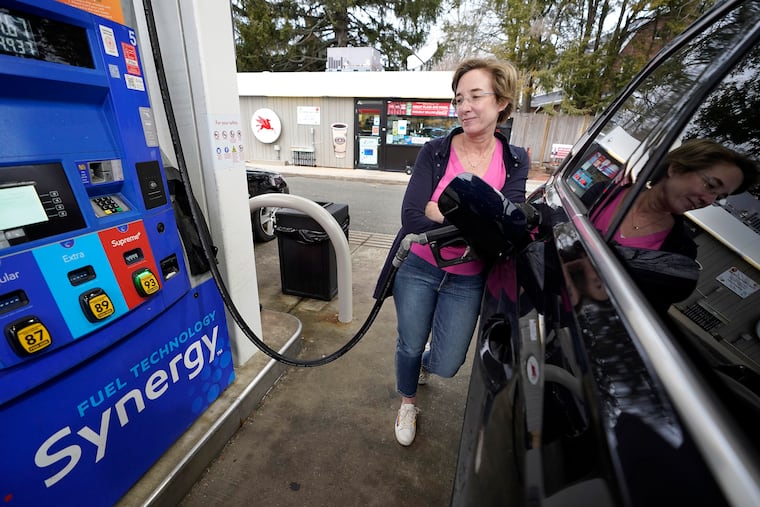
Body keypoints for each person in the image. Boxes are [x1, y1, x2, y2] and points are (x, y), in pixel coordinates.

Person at [373, 58, 530, 446]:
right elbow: (412, 217)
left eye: (476, 96)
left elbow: (506, 230)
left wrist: (441, 210)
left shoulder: (515, 160)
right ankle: (407, 400)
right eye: (459, 98)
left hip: (467, 279)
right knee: (409, 342)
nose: (464, 107)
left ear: (502, 102)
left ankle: (421, 367)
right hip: (419, 267)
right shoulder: (435, 151)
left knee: (446, 362)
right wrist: (478, 221)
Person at [587, 139, 758, 259]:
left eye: (719, 197)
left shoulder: (681, 251)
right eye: (711, 186)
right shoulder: (603, 194)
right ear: (676, 169)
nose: (708, 200)